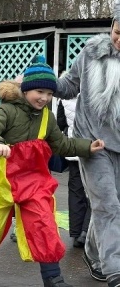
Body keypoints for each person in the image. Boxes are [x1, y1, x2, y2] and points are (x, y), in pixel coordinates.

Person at [0, 57, 104, 287]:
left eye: (48, 93)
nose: (44, 98)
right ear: (26, 90)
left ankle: (53, 278)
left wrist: (87, 147)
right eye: (39, 91)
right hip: (1, 179)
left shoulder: (47, 116)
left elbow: (62, 144)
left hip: (33, 180)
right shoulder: (7, 110)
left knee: (44, 224)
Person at [55, 0, 120, 286]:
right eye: (118, 32)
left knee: (110, 205)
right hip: (93, 143)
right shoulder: (92, 53)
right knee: (107, 203)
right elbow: (69, 86)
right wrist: (43, 82)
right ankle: (115, 268)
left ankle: (94, 254)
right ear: (112, 26)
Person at [58, 97, 91, 248]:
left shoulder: (65, 98)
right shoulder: (98, 90)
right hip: (95, 149)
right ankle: (86, 231)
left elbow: (61, 123)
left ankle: (76, 232)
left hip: (74, 148)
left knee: (75, 191)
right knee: (95, 191)